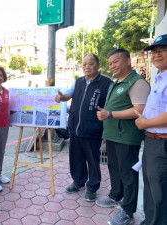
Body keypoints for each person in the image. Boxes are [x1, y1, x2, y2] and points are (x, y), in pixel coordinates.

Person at [96, 48, 150, 225]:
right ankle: (115, 195)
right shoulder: (117, 82)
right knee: (114, 167)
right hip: (113, 135)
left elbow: (139, 110)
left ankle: (128, 211)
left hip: (127, 137)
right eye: (110, 63)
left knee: (128, 173)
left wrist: (110, 114)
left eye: (116, 61)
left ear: (128, 61)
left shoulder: (137, 83)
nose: (113, 66)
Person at [55, 54, 111, 201]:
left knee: (92, 160)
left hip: (93, 130)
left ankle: (92, 187)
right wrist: (62, 97)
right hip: (75, 128)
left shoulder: (106, 83)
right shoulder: (79, 81)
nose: (87, 67)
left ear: (98, 65)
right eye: (84, 64)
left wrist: (106, 131)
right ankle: (78, 181)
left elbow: (109, 107)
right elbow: (68, 95)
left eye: (90, 64)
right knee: (76, 158)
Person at [135, 34, 167, 225]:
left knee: (159, 191)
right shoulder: (160, 77)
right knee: (150, 186)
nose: (156, 55)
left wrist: (145, 123)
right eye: (154, 52)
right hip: (152, 141)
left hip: (161, 142)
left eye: (162, 50)